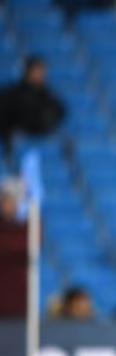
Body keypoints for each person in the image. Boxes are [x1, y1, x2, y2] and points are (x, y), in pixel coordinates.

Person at [0, 56, 65, 158]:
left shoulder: (49, 96)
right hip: (16, 143)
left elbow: (60, 113)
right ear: (28, 72)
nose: (41, 74)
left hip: (41, 142)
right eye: (37, 71)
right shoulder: (12, 95)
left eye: (43, 71)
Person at [0, 179, 27, 317]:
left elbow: (31, 245)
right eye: (5, 200)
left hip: (18, 300)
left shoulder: (28, 226)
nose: (7, 205)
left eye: (12, 201)